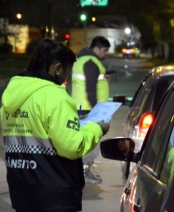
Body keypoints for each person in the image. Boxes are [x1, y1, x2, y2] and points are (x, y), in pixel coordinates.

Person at [0, 39, 110, 212]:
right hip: (53, 192)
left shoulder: (11, 98)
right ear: (57, 68)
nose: (66, 78)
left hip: (21, 189)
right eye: (67, 72)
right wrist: (96, 129)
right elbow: (72, 146)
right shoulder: (55, 97)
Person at [71, 36, 111, 184]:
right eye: (105, 50)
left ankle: (81, 173)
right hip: (89, 109)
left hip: (81, 107)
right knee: (91, 143)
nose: (106, 54)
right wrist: (97, 111)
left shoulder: (82, 60)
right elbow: (90, 89)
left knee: (84, 141)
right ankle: (83, 173)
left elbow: (90, 81)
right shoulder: (91, 62)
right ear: (97, 48)